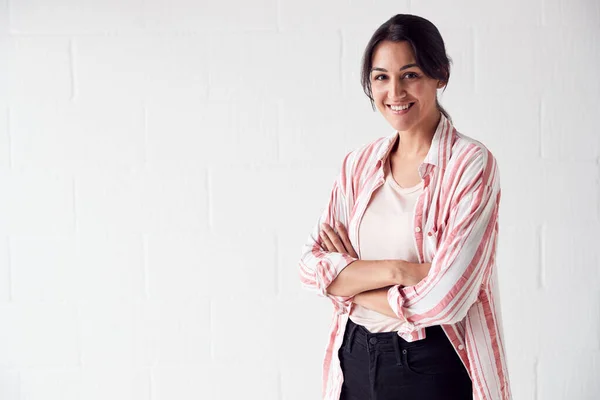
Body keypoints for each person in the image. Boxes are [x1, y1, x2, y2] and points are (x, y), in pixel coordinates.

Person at [298, 14, 512, 400]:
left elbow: (447, 298)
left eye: (410, 74)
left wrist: (349, 284)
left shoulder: (470, 164)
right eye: (381, 77)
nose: (394, 91)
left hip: (430, 362)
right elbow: (310, 267)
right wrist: (400, 271)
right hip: (354, 357)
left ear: (440, 74)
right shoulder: (357, 165)